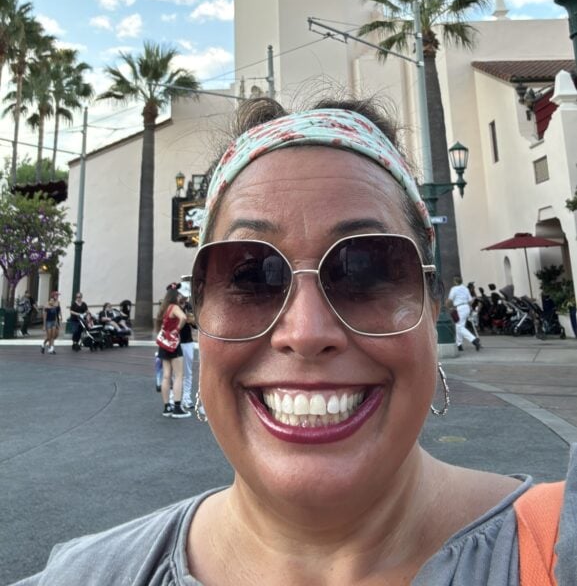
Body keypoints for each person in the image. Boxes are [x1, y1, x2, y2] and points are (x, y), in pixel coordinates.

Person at [10, 99, 575, 585]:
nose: (305, 333)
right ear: (200, 312)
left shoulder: (556, 550)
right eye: (251, 274)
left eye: (368, 269)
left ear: (431, 304)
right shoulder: (89, 574)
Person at [156, 284, 191, 419]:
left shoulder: (164, 308)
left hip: (163, 343)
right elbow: (183, 318)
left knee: (166, 375)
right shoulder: (175, 307)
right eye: (178, 295)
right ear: (174, 296)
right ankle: (177, 407)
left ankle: (167, 407)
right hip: (173, 344)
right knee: (178, 375)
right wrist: (177, 329)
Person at [447, 276, 481, 352]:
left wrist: (448, 307)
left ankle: (474, 340)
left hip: (459, 308)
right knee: (459, 325)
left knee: (460, 327)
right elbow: (470, 300)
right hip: (466, 307)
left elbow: (449, 300)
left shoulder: (454, 289)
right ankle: (459, 344)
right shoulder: (465, 289)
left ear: (455, 282)